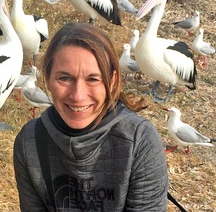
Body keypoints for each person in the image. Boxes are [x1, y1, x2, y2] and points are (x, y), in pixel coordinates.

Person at [13, 22, 168, 211]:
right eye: (64, 78)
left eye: (93, 79)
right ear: (47, 78)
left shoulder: (140, 140)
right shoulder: (29, 142)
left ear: (112, 82)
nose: (78, 96)